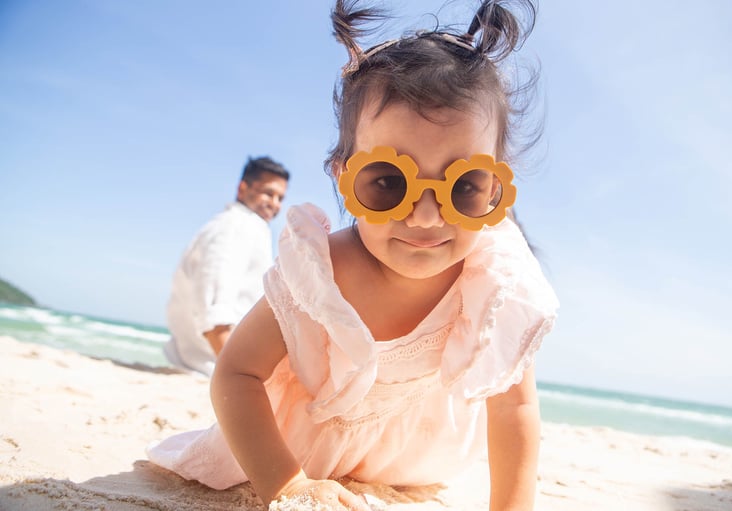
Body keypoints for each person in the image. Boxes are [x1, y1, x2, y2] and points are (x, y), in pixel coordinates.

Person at [148, 1, 558, 510]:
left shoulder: (495, 281)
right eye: (389, 183)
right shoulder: (321, 273)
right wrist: (289, 484)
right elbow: (236, 374)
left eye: (464, 187)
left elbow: (514, 406)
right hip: (298, 448)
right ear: (344, 176)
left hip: (412, 457)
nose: (427, 217)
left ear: (496, 184)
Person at [162, 156, 290, 377]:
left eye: (280, 197)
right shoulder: (236, 226)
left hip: (214, 363)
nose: (275, 204)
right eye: (268, 193)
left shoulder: (242, 225)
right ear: (243, 189)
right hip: (211, 367)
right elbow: (215, 315)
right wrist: (241, 378)